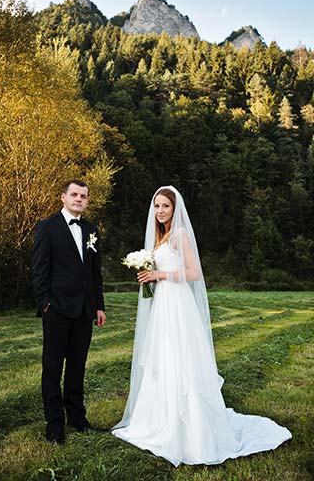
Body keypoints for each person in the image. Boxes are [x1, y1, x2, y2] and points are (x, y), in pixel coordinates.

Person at [112, 185, 291, 466]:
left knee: (182, 359)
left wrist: (160, 274)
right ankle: (159, 420)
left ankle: (191, 431)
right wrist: (150, 276)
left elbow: (194, 273)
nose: (160, 211)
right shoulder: (160, 238)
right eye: (157, 206)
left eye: (165, 207)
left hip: (178, 305)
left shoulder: (180, 234)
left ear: (175, 209)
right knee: (163, 359)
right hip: (162, 306)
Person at [32, 179, 106, 444]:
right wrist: (46, 305)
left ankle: (77, 418)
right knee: (52, 368)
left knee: (77, 366)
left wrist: (99, 305)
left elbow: (94, 272)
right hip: (57, 310)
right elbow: (39, 270)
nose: (79, 199)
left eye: (83, 196)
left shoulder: (91, 229)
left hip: (85, 310)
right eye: (74, 194)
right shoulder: (47, 227)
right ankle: (54, 426)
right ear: (62, 197)